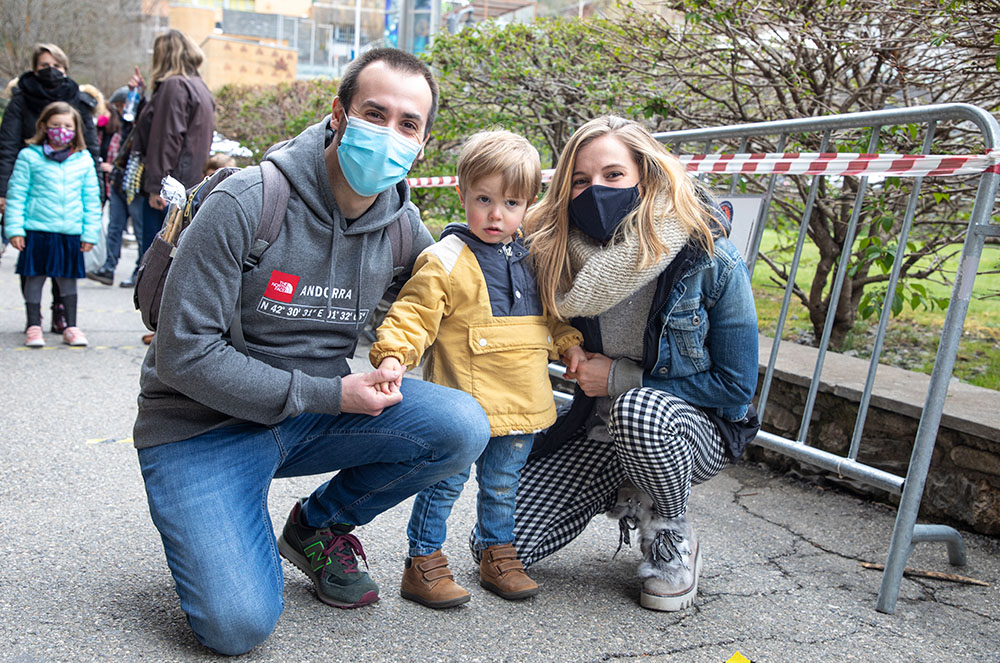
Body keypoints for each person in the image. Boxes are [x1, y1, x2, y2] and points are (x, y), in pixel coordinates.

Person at [133, 48, 490, 655]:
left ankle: (316, 527)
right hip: (201, 428)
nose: (389, 133)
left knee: (461, 426)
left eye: (408, 124)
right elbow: (183, 354)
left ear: (422, 144)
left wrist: (395, 355)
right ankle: (226, 527)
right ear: (338, 115)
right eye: (374, 113)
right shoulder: (248, 202)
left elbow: (444, 304)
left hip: (310, 418)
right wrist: (330, 393)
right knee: (238, 626)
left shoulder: (402, 227)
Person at [507, 116, 759, 612]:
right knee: (500, 547)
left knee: (638, 409)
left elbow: (735, 387)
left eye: (614, 175)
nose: (596, 191)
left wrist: (620, 379)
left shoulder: (709, 257)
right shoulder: (559, 255)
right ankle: (624, 485)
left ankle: (669, 528)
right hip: (598, 427)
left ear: (647, 176)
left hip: (689, 430)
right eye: (581, 180)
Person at [369, 130, 586, 609]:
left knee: (503, 485)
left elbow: (551, 315)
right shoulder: (446, 259)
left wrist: (569, 344)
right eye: (484, 199)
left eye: (511, 203)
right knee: (444, 483)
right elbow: (413, 314)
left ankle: (496, 552)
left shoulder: (535, 258)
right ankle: (423, 560)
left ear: (529, 204)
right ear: (462, 193)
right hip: (463, 407)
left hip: (522, 400)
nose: (496, 215)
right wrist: (394, 353)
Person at [0, 43, 101, 333]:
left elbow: (90, 147)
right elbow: (7, 146)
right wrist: (4, 190)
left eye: (56, 66)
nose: (51, 71)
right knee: (33, 262)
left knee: (64, 263)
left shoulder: (79, 101)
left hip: (69, 192)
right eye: (44, 66)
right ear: (34, 69)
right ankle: (33, 319)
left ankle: (61, 311)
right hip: (33, 187)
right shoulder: (21, 101)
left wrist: (98, 188)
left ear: (65, 69)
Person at [127, 29, 214, 272]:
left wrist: (158, 186)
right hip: (188, 187)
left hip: (171, 190)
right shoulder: (199, 87)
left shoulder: (174, 86)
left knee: (155, 267)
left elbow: (166, 138)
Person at [86, 87, 134, 286]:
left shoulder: (132, 126)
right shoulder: (103, 129)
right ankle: (108, 267)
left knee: (140, 231)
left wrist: (112, 167)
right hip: (114, 183)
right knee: (114, 227)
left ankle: (141, 271)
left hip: (131, 184)